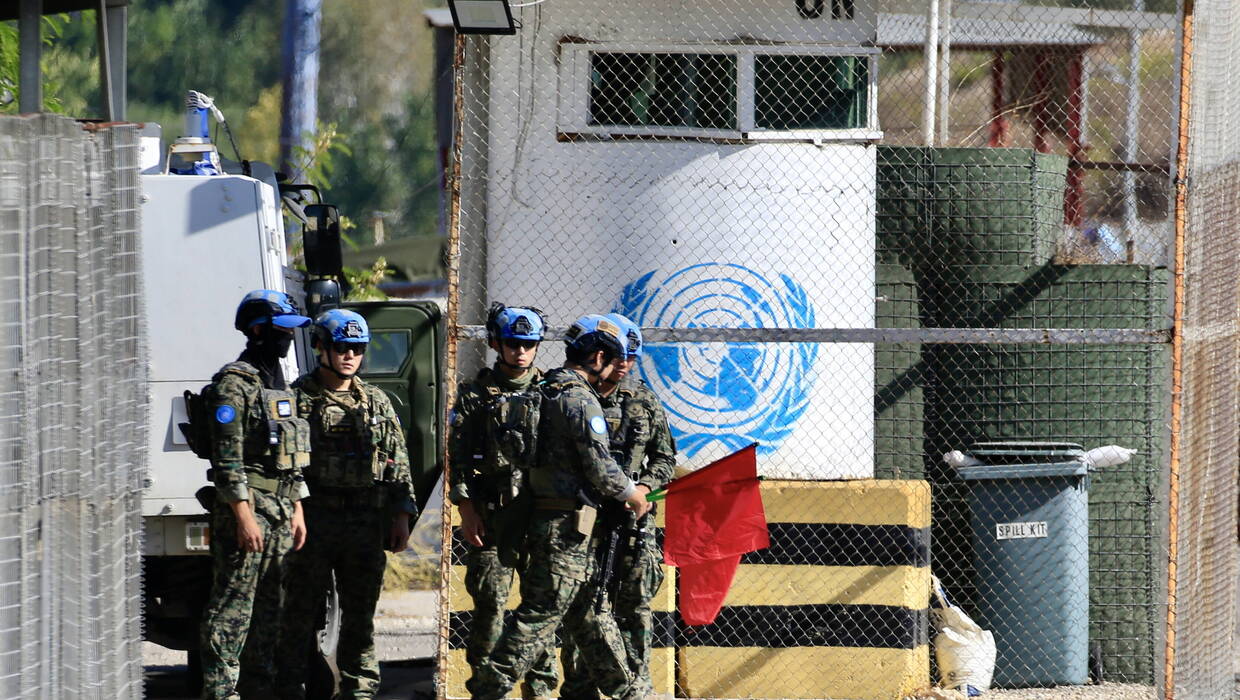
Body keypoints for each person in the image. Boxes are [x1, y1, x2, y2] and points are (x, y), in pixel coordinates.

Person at [467, 314, 652, 700]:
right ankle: (487, 691)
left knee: (591, 616)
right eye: (612, 359)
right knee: (537, 618)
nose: (614, 369)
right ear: (598, 356)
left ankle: (631, 693)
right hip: (566, 530)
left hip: (556, 523)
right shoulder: (579, 399)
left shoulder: (545, 389)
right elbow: (601, 469)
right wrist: (634, 494)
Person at [276, 309, 417, 700]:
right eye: (341, 347)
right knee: (299, 616)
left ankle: (360, 691)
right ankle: (292, 688)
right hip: (314, 521)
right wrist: (295, 511)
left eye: (357, 348)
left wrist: (402, 515)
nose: (350, 355)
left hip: (364, 521)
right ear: (320, 347)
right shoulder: (297, 400)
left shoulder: (375, 401)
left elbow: (397, 460)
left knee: (360, 619)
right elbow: (283, 466)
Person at [200, 289, 312, 700]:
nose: (286, 341)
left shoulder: (279, 386)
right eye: (280, 332)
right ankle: (220, 691)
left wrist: (297, 507)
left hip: (280, 509)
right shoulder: (233, 386)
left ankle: (259, 689)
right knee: (233, 606)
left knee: (271, 609)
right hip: (248, 511)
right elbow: (227, 461)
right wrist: (243, 516)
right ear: (257, 331)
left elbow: (291, 458)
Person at [560, 313, 676, 699]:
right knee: (585, 606)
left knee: (635, 607)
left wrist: (643, 487)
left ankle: (636, 686)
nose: (624, 362)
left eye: (631, 356)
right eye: (619, 354)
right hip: (585, 520)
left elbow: (665, 459)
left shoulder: (643, 400)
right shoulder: (577, 395)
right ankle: (580, 687)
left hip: (632, 522)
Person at [449, 304, 559, 699]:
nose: (521, 352)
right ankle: (486, 688)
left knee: (538, 614)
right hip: (492, 520)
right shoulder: (475, 394)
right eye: (513, 343)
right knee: (490, 612)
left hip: (539, 521)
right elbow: (457, 456)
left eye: (529, 344)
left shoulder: (551, 393)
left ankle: (540, 690)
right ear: (497, 343)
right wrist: (466, 510)